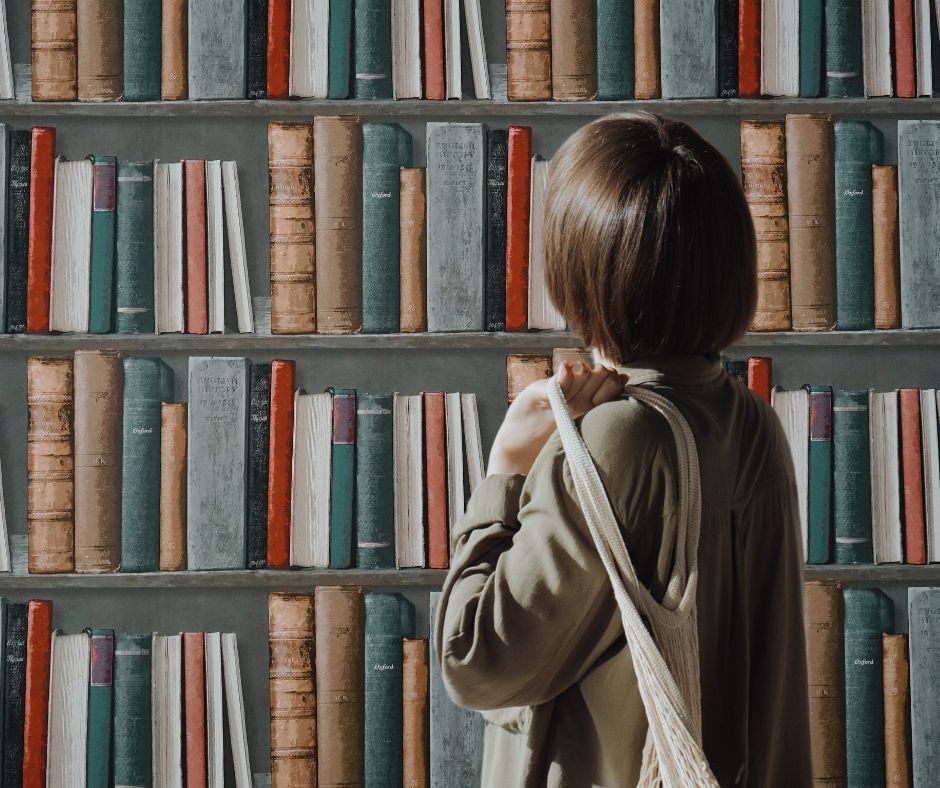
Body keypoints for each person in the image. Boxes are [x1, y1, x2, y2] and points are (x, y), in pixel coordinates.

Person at [434, 112, 813, 787]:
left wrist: (505, 472)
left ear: (584, 263)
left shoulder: (613, 437)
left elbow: (476, 662)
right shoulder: (753, 424)